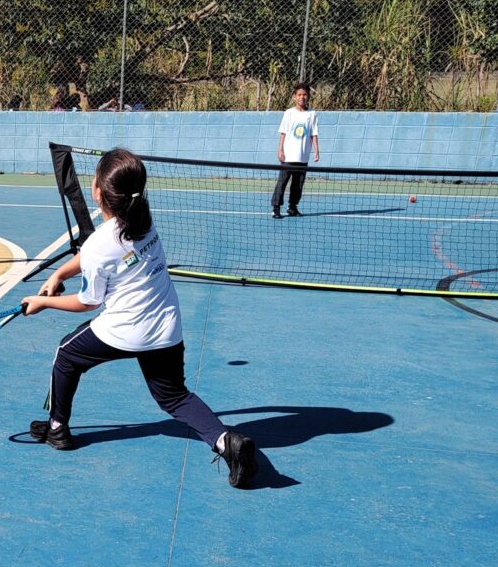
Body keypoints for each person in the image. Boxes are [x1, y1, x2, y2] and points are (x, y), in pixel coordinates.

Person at [21, 147, 258, 490]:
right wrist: (59, 274)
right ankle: (227, 443)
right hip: (166, 326)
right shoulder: (142, 218)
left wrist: (44, 304)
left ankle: (58, 428)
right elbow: (94, 257)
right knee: (174, 396)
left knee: (67, 354)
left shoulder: (101, 243)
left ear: (98, 192)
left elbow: (89, 302)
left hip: (125, 329)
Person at [271, 82, 319, 218]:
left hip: (303, 157)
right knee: (282, 182)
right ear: (294, 97)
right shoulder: (289, 113)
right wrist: (280, 150)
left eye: (304, 95)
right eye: (299, 95)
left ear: (308, 96)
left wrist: (316, 150)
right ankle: (276, 208)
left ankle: (292, 207)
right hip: (289, 157)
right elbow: (283, 133)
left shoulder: (312, 114)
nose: (302, 97)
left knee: (298, 185)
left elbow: (314, 134)